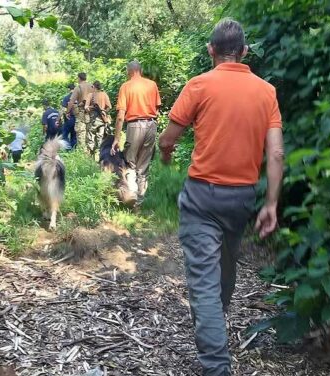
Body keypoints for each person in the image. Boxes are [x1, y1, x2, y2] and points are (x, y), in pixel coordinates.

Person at [158, 19, 285, 375]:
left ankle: (216, 366)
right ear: (244, 52)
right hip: (243, 198)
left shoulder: (199, 85)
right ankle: (215, 319)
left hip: (202, 197)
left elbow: (168, 139)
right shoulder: (266, 92)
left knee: (204, 283)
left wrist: (166, 157)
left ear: (211, 50)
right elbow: (275, 155)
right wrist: (271, 203)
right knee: (225, 268)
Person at [111, 60, 161, 207]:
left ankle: (131, 195)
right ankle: (141, 200)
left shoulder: (126, 87)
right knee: (144, 164)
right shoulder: (152, 85)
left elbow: (121, 115)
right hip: (151, 125)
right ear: (140, 70)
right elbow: (157, 109)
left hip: (134, 125)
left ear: (129, 71)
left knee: (130, 162)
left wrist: (116, 138)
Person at [67, 73, 94, 153]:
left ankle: (83, 153)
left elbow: (71, 101)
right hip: (92, 113)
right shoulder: (92, 86)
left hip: (81, 113)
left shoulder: (78, 87)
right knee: (90, 133)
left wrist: (68, 112)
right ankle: (92, 152)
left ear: (79, 78)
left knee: (81, 133)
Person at [85, 80, 112, 156]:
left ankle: (91, 156)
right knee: (100, 137)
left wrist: (90, 108)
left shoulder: (90, 95)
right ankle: (101, 155)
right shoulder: (104, 94)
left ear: (93, 87)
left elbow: (86, 107)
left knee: (91, 137)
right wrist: (104, 111)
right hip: (103, 120)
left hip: (93, 119)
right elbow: (109, 107)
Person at [60, 83, 77, 149]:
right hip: (76, 119)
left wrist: (58, 119)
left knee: (65, 134)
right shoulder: (78, 98)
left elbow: (63, 109)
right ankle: (74, 149)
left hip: (68, 119)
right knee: (74, 135)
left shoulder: (67, 97)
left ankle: (67, 149)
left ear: (68, 89)